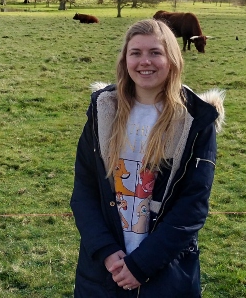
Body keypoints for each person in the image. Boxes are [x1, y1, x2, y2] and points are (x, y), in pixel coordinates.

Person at [70, 18, 225, 298]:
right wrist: (106, 251)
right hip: (104, 271)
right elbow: (84, 190)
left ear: (172, 59)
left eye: (155, 52)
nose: (145, 62)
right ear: (125, 59)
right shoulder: (103, 113)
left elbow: (193, 205)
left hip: (165, 270)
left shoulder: (195, 120)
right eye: (136, 53)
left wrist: (143, 264)